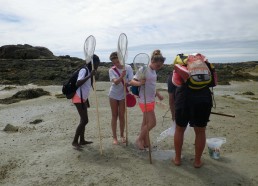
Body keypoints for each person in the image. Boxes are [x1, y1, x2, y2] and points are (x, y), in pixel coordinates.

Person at [172, 69, 213, 168]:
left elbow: (171, 94)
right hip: (203, 99)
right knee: (200, 131)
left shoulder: (177, 70)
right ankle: (197, 161)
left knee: (179, 129)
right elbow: (213, 82)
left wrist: (173, 113)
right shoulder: (204, 69)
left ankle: (177, 159)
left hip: (183, 99)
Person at [130, 50, 165, 150]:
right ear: (152, 61)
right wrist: (140, 83)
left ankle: (145, 141)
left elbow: (152, 85)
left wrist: (158, 94)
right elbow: (132, 81)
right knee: (152, 123)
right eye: (158, 65)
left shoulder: (153, 70)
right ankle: (139, 139)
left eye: (160, 66)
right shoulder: (144, 69)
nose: (159, 67)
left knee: (145, 122)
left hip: (151, 99)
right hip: (144, 99)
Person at [72, 54, 100, 149]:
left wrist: (92, 76)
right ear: (92, 63)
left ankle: (82, 140)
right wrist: (90, 76)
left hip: (83, 98)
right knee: (85, 120)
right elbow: (78, 83)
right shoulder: (84, 70)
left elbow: (88, 86)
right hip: (78, 98)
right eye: (97, 63)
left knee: (82, 120)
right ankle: (75, 141)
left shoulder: (88, 71)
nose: (97, 66)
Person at [108, 52, 134, 145]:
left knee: (122, 115)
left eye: (117, 61)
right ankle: (114, 137)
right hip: (113, 94)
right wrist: (122, 76)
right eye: (114, 63)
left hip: (123, 94)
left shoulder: (128, 67)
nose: (116, 64)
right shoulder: (112, 70)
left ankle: (122, 135)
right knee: (114, 115)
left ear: (121, 59)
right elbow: (115, 82)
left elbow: (131, 80)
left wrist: (129, 83)